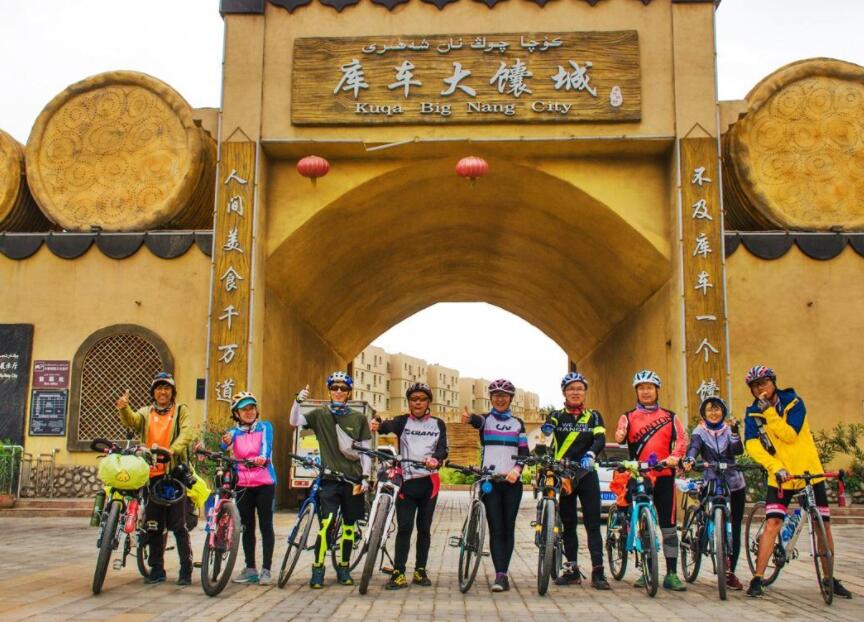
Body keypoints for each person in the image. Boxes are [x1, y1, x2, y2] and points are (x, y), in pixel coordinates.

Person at [742, 366, 853, 599]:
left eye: (764, 383)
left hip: (808, 472)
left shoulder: (794, 403)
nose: (760, 389)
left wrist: (769, 412)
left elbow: (790, 434)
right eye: (754, 386)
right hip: (781, 476)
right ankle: (758, 578)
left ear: (773, 382)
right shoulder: (752, 413)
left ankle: (829, 578)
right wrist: (774, 467)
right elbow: (752, 444)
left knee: (823, 525)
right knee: (773, 522)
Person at [289, 371, 372, 589]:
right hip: (329, 479)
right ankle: (317, 569)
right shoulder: (320, 414)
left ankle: (344, 568)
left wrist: (365, 477)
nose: (338, 391)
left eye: (343, 388)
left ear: (349, 392)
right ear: (329, 390)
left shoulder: (359, 418)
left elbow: (366, 452)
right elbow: (294, 421)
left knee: (349, 527)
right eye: (334, 387)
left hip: (353, 479)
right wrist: (298, 402)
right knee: (326, 524)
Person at [116, 371, 194, 585]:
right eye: (159, 388)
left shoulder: (181, 411)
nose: (162, 392)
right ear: (153, 392)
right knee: (153, 524)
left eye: (166, 388)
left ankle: (185, 570)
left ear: (172, 392)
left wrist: (172, 449)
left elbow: (187, 433)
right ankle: (157, 569)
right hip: (151, 475)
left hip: (173, 474)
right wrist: (124, 408)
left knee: (178, 524)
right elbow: (132, 421)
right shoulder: (145, 412)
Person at [369, 382, 448, 589]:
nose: (418, 403)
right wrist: (376, 422)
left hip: (429, 483)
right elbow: (385, 425)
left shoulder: (438, 424)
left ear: (428, 402)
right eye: (414, 399)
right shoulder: (402, 421)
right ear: (409, 402)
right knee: (404, 527)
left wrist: (435, 459)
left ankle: (420, 571)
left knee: (424, 528)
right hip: (407, 483)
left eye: (422, 399)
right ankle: (398, 573)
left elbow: (443, 449)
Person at [614, 369, 687, 591]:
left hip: (664, 476)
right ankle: (646, 569)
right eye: (641, 388)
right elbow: (619, 435)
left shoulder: (670, 417)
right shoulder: (628, 417)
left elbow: (681, 440)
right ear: (636, 391)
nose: (646, 392)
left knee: (668, 526)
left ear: (657, 390)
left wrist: (675, 457)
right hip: (640, 475)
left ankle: (672, 573)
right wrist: (620, 434)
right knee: (642, 523)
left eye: (650, 388)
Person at [540, 372, 610, 589]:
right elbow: (548, 427)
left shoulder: (594, 416)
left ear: (585, 392)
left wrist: (591, 454)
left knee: (592, 524)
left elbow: (600, 438)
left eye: (580, 388)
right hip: (565, 476)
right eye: (571, 389)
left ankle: (598, 572)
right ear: (564, 392)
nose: (575, 392)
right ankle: (572, 571)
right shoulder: (557, 415)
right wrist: (547, 429)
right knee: (569, 523)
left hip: (586, 473)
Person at [461, 378, 528, 593]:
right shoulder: (485, 420)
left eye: (504, 396)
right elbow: (476, 420)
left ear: (510, 399)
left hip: (511, 483)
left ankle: (503, 572)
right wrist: (469, 418)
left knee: (508, 528)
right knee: (496, 528)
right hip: (489, 482)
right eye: (496, 395)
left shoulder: (518, 424)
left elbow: (524, 453)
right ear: (490, 398)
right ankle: (500, 575)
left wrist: (517, 470)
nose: (500, 399)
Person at [682, 396, 745, 590]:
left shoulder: (729, 430)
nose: (713, 413)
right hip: (711, 481)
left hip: (734, 483)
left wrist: (735, 432)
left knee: (735, 527)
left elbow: (738, 450)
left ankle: (730, 572)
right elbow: (694, 448)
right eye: (709, 409)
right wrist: (690, 459)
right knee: (705, 516)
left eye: (717, 409)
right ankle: (700, 535)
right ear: (704, 413)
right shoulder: (699, 431)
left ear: (723, 412)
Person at [221, 391, 276, 586]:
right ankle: (250, 568)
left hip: (264, 483)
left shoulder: (265, 427)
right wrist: (224, 443)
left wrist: (261, 458)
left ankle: (266, 569)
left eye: (251, 407)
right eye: (244, 409)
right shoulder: (234, 432)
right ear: (236, 413)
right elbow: (224, 448)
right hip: (243, 485)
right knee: (246, 527)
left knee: (266, 525)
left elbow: (266, 448)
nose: (249, 412)